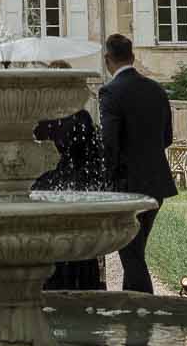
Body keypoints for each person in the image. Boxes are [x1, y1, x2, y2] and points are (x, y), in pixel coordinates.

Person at [97, 33, 174, 293]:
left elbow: (109, 144)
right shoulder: (156, 89)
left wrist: (105, 181)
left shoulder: (110, 92)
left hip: (127, 185)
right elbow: (167, 138)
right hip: (156, 183)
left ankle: (145, 308)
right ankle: (130, 303)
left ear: (108, 59)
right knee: (135, 251)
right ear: (132, 56)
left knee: (131, 255)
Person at [34, 68, 107, 290]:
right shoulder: (81, 117)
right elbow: (94, 159)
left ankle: (50, 288)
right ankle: (82, 290)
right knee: (79, 246)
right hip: (76, 191)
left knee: (49, 245)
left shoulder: (40, 118)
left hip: (46, 191)